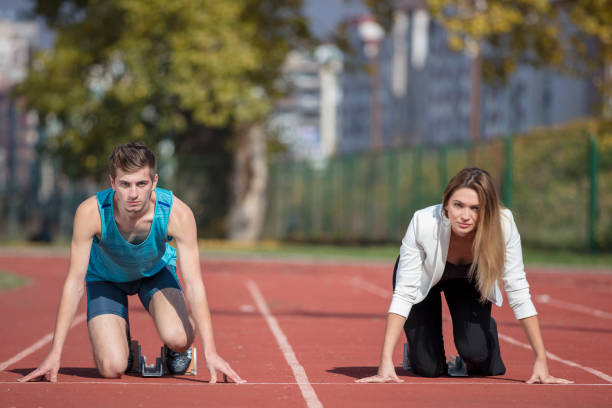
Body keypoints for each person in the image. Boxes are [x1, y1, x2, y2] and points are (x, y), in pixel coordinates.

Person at [19, 142, 245, 383]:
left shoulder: (177, 214)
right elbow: (74, 282)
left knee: (178, 337)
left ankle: (177, 348)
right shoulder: (91, 213)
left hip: (154, 273)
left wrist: (210, 350)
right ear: (112, 182)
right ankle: (124, 347)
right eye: (125, 184)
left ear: (154, 182)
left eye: (141, 184)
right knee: (112, 368)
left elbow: (194, 283)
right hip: (105, 279)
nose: (133, 194)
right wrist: (55, 353)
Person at [358, 167, 572, 384]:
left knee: (478, 356)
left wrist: (541, 359)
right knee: (428, 368)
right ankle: (417, 349)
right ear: (446, 202)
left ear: (487, 210)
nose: (465, 216)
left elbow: (518, 291)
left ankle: (483, 330)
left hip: (469, 279)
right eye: (458, 205)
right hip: (424, 278)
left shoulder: (503, 225)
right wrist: (385, 360)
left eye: (475, 208)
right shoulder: (423, 222)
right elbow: (404, 293)